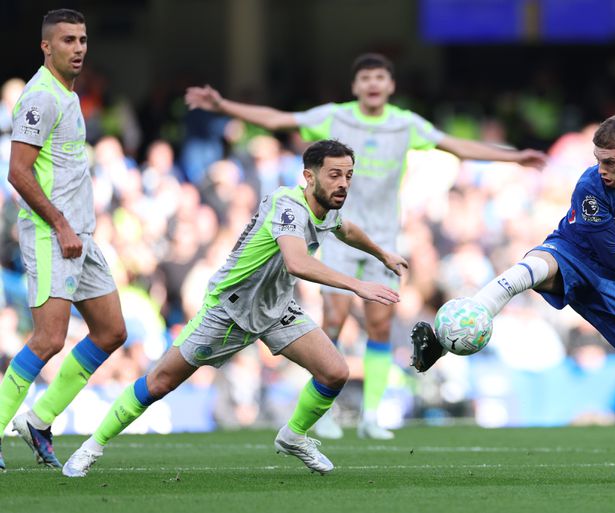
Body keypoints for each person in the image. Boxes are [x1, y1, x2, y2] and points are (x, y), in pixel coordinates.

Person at [185, 53, 547, 440]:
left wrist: (513, 157)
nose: (373, 84)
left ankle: (372, 415)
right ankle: (323, 411)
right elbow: (278, 119)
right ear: (355, 86)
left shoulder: (404, 124)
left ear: (390, 86)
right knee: (333, 321)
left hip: (383, 239)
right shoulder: (335, 117)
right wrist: (223, 105)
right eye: (366, 78)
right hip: (339, 234)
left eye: (380, 77)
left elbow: (455, 146)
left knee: (380, 324)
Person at [61, 139, 408, 477]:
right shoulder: (288, 206)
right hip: (229, 309)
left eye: (348, 175)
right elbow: (297, 262)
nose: (343, 183)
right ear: (309, 176)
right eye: (334, 174)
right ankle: (91, 447)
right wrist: (357, 284)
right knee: (160, 382)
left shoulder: (327, 210)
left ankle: (293, 436)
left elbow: (346, 229)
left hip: (275, 308)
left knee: (335, 372)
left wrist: (383, 255)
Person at [411, 114, 615, 480]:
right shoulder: (590, 186)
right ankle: (442, 338)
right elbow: (610, 255)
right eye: (598, 160)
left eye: (610, 162)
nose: (602, 169)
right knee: (531, 268)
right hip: (574, 255)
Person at [0, 9, 128, 471]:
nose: (78, 48)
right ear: (46, 46)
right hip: (52, 233)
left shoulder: (69, 95)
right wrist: (60, 223)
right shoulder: (40, 97)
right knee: (49, 338)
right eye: (68, 40)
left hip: (79, 235)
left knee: (112, 331)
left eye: (83, 40)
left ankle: (39, 421)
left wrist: (76, 226)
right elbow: (18, 172)